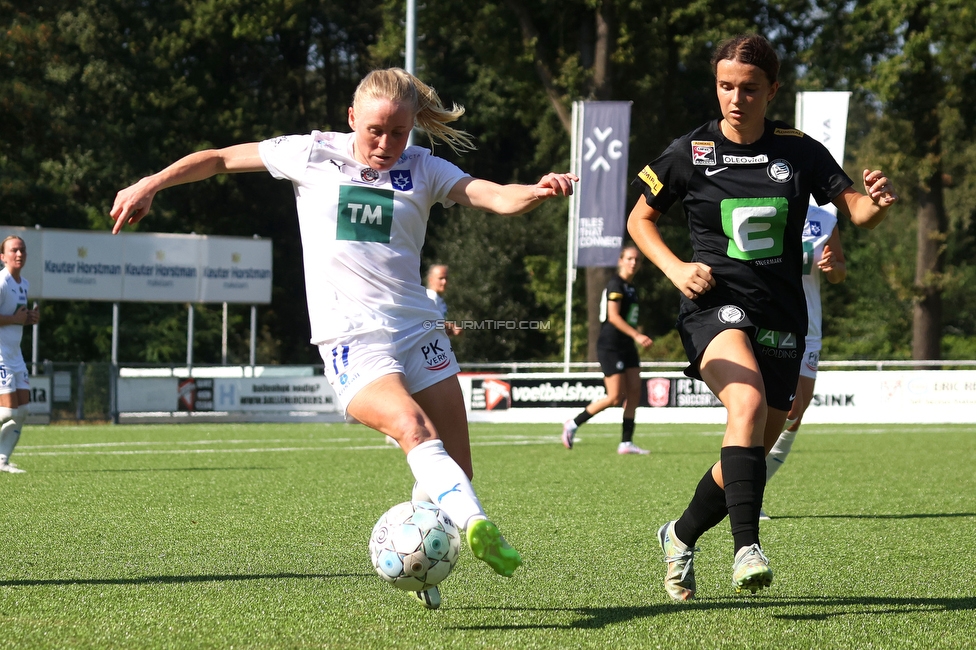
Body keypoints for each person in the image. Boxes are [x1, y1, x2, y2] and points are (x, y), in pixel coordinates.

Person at [109, 67, 578, 610]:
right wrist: (151, 184)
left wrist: (540, 190)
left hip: (417, 329)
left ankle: (425, 561)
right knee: (412, 427)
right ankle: (478, 526)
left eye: (399, 133)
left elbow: (495, 196)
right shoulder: (311, 154)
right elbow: (218, 159)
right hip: (351, 336)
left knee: (456, 469)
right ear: (352, 118)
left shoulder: (423, 168)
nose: (385, 144)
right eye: (375, 130)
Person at [627, 34, 897, 600]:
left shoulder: (799, 150)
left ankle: (677, 535)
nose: (736, 98)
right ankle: (747, 547)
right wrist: (677, 269)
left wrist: (876, 201)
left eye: (750, 88)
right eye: (726, 86)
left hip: (783, 315)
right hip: (714, 308)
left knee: (749, 452)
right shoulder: (688, 151)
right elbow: (639, 221)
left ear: (772, 91)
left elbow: (858, 213)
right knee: (744, 402)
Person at [760, 204, 847, 520]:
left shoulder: (825, 220)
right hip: (771, 321)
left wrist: (831, 265)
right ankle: (745, 492)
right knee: (767, 407)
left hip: (808, 327)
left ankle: (752, 486)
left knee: (796, 410)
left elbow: (840, 272)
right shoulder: (768, 208)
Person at [561, 244, 654, 454]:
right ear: (620, 261)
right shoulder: (615, 284)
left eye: (637, 260)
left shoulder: (631, 287)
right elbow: (613, 317)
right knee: (614, 397)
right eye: (629, 258)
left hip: (626, 345)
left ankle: (626, 442)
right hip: (611, 345)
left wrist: (634, 336)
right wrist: (637, 335)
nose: (633, 263)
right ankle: (573, 424)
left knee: (634, 392)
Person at [0, 235, 39, 474]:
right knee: (7, 411)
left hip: (15, 355)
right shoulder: (1, 282)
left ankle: (1, 460)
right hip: (0, 355)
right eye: (14, 250)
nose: (19, 254)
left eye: (22, 250)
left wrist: (28, 319)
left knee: (22, 412)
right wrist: (15, 319)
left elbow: (16, 318)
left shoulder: (23, 283)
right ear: (2, 256)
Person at [425, 264, 461, 336]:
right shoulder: (431, 297)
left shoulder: (439, 299)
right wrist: (452, 327)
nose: (444, 282)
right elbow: (429, 322)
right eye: (441, 278)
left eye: (446, 278)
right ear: (431, 280)